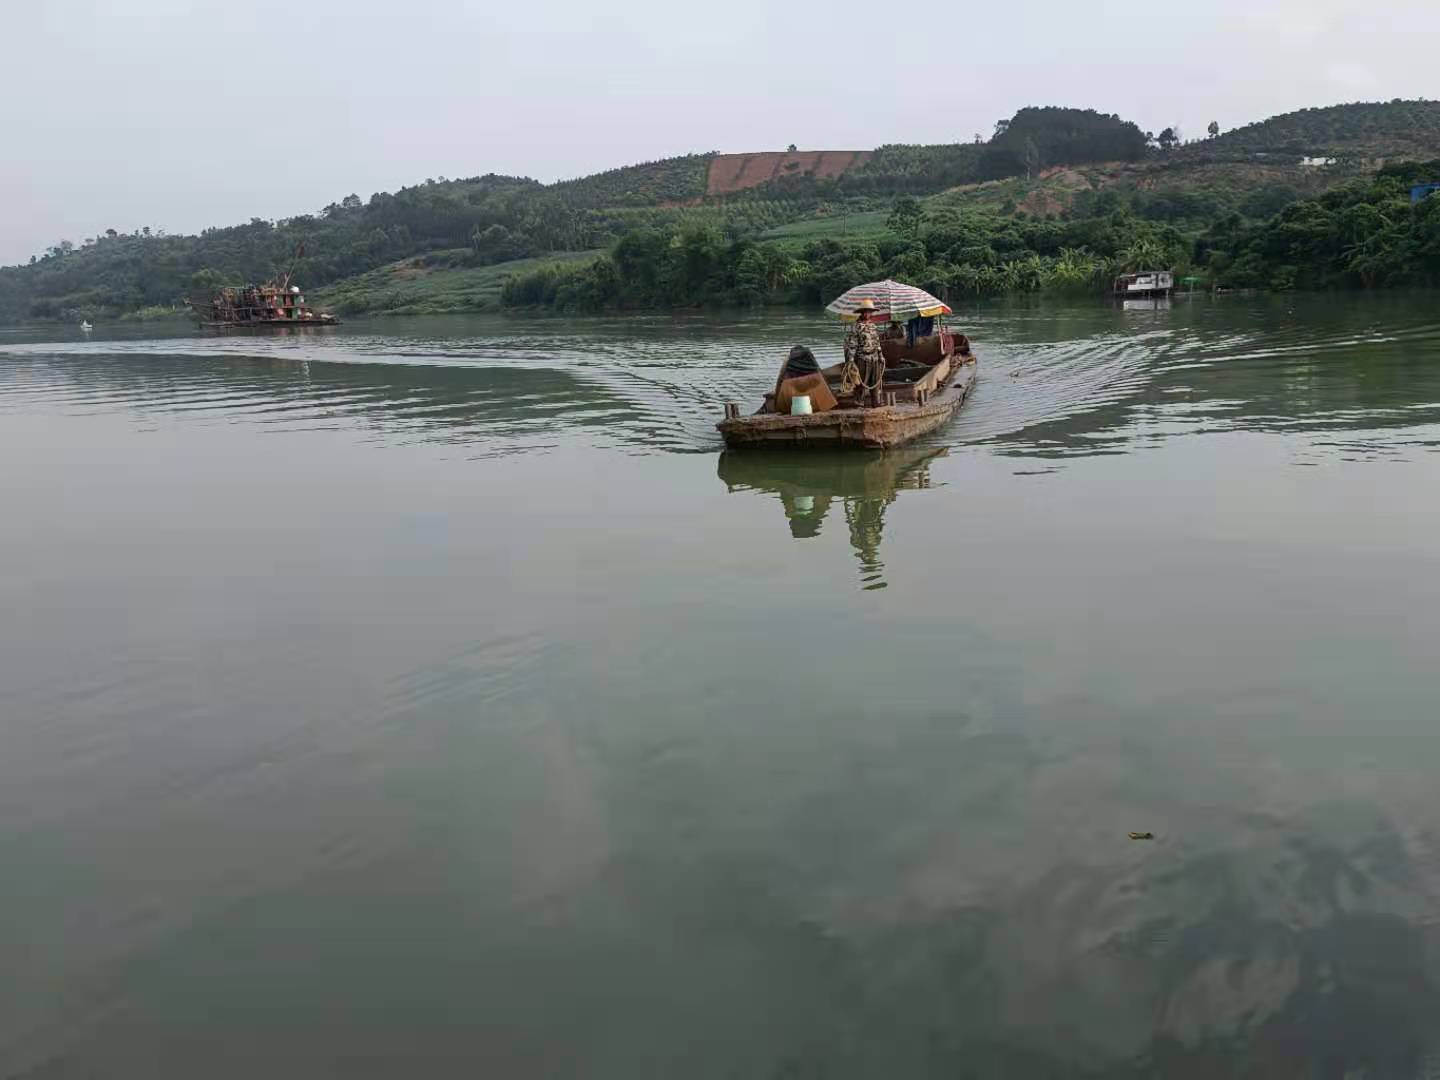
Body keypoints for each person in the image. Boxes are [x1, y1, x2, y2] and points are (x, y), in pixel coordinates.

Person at [843, 298, 886, 406]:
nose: (868, 314)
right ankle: (859, 402)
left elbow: (877, 341)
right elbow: (852, 344)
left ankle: (875, 402)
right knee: (861, 382)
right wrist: (851, 360)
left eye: (869, 312)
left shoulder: (873, 325)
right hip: (862, 358)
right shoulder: (856, 326)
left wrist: (880, 355)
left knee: (875, 381)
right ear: (862, 313)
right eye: (865, 312)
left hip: (874, 357)